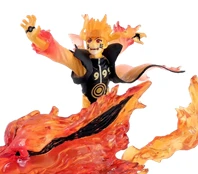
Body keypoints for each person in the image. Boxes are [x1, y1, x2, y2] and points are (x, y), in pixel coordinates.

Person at [21, 13, 181, 106]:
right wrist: (36, 38)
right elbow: (59, 53)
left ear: (104, 44)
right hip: (88, 110)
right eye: (90, 40)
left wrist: (133, 36)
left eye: (98, 41)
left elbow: (122, 41)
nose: (93, 44)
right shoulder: (82, 64)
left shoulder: (107, 59)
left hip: (106, 105)